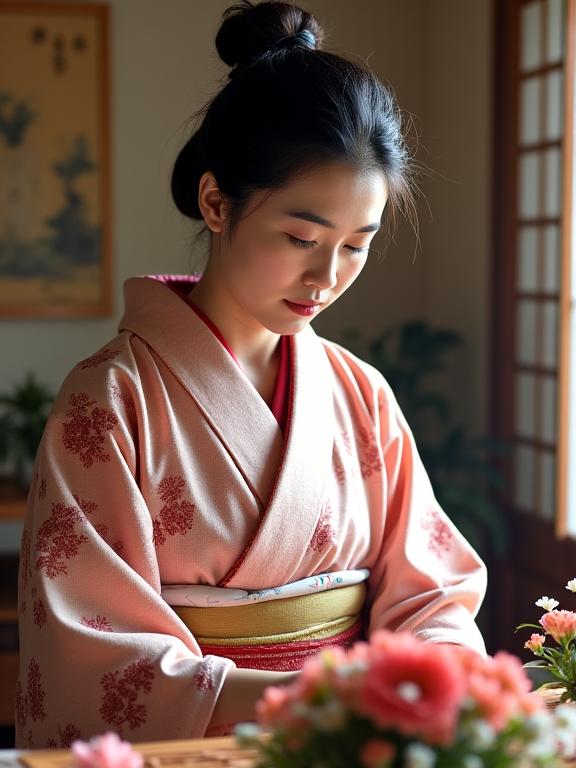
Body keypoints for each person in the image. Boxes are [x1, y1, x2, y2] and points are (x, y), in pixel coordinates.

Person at [15, 0, 487, 749]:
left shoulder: (359, 393)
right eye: (301, 236)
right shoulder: (108, 401)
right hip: (194, 748)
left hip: (350, 746)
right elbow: (92, 648)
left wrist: (423, 685)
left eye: (357, 245)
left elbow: (432, 593)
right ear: (215, 202)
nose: (327, 276)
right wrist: (317, 695)